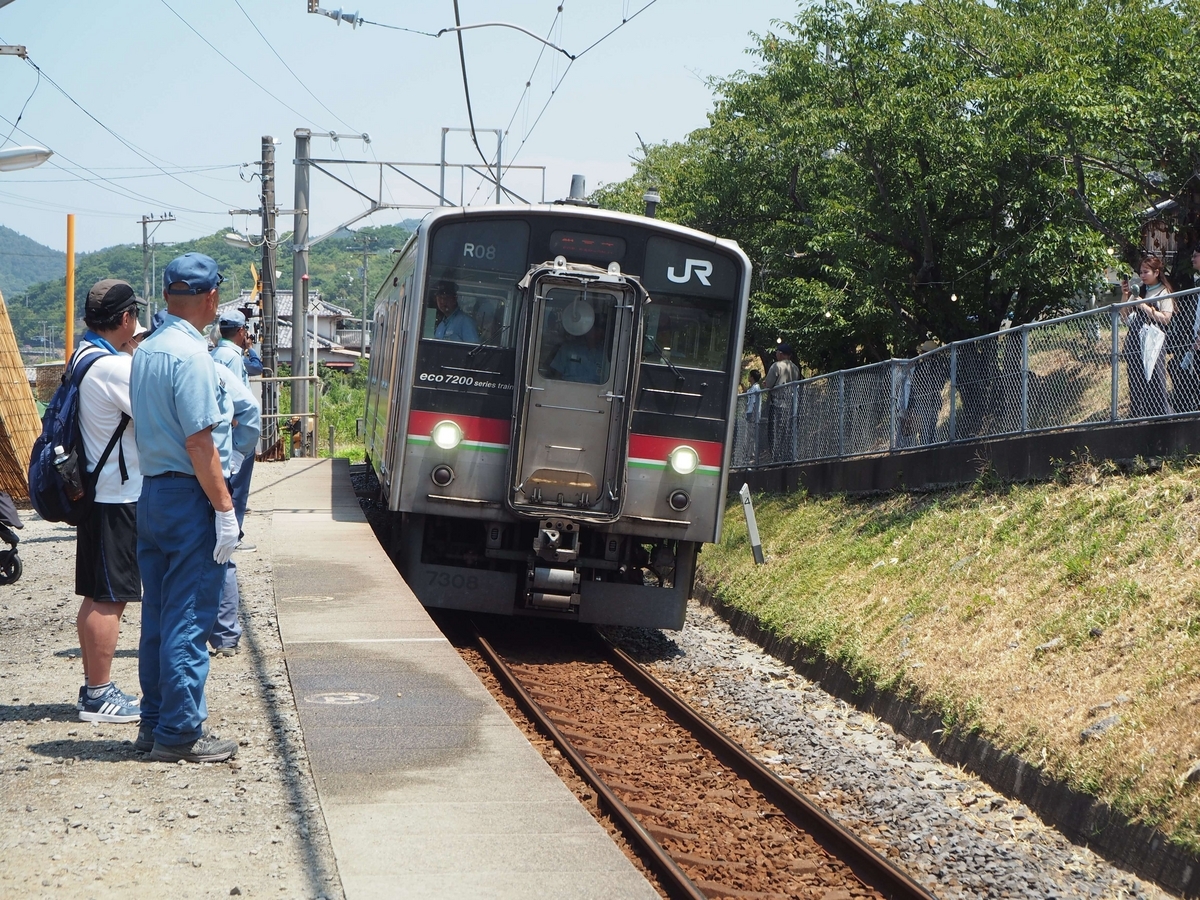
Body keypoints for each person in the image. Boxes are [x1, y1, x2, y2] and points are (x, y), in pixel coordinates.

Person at [130, 252, 244, 764]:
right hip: (187, 495)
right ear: (212, 297)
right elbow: (202, 444)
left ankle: (153, 723)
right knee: (189, 617)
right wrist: (224, 510)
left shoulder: (147, 349)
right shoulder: (193, 356)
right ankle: (180, 732)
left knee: (156, 615)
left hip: (151, 492)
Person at [73, 279, 145, 725]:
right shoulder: (115, 368)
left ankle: (94, 687)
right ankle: (98, 693)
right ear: (126, 319)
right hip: (115, 495)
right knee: (109, 597)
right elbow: (158, 414)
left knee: (98, 593)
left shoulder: (84, 356)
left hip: (97, 491)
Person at [208, 308, 262, 657]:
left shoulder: (215, 354)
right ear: (241, 331)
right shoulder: (230, 359)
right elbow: (247, 410)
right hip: (228, 456)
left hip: (212, 457)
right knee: (226, 534)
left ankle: (218, 631)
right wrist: (241, 454)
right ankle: (226, 633)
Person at [1121, 255, 1174, 418]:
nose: (1142, 276)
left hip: (1154, 341)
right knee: (1135, 379)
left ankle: (1161, 413)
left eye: (1146, 272)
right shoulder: (1139, 291)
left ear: (1156, 272)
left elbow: (1166, 318)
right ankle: (1138, 414)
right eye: (1140, 272)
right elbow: (1124, 316)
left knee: (1155, 377)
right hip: (1135, 341)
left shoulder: (1163, 291)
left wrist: (1144, 306)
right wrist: (1125, 295)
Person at [1169, 246, 1200, 412]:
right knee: (1176, 365)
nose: (1192, 259)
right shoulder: (1197, 281)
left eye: (1196, 255)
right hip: (1195, 339)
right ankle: (1185, 405)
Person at [762, 343, 800, 462]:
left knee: (774, 431)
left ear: (781, 353)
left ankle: (775, 458)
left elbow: (768, 384)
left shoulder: (776, 366)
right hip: (790, 404)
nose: (776, 354)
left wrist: (766, 385)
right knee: (786, 431)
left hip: (777, 403)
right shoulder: (795, 368)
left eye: (777, 352)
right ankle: (787, 457)